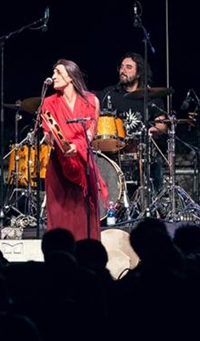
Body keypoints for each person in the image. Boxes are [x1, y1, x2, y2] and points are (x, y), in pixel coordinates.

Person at [40, 59, 108, 241]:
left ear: (70, 77)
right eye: (53, 72)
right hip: (58, 164)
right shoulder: (48, 102)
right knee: (60, 216)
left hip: (83, 163)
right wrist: (52, 138)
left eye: (58, 72)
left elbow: (91, 132)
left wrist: (75, 146)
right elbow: (48, 133)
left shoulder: (91, 101)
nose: (53, 76)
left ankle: (87, 253)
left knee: (84, 216)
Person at [96, 52, 169, 198]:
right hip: (115, 153)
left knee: (153, 163)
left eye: (129, 67)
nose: (123, 70)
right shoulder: (109, 94)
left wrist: (152, 130)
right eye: (122, 67)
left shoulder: (150, 97)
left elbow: (162, 124)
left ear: (138, 73)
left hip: (142, 153)